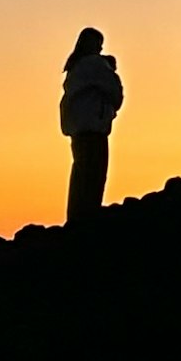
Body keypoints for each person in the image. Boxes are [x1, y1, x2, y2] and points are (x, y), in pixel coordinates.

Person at [59, 26, 123, 225]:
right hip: (94, 128)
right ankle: (88, 217)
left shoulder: (75, 69)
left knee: (80, 174)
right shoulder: (95, 64)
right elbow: (114, 90)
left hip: (78, 130)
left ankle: (77, 217)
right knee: (94, 175)